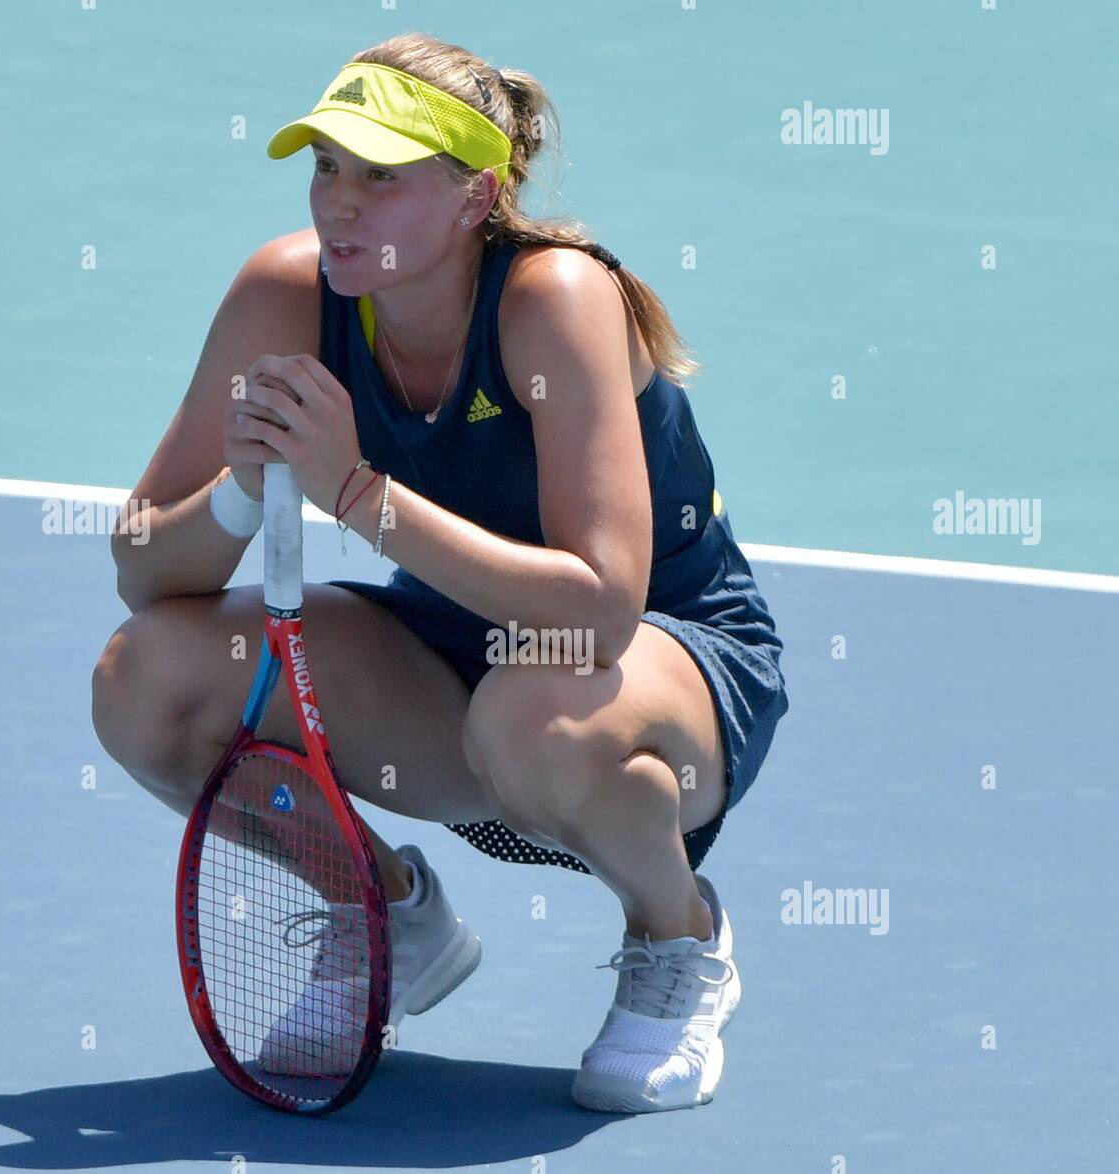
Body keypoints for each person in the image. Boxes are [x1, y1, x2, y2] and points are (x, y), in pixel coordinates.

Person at [92, 32, 789, 1113]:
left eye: (383, 176)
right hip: (448, 664)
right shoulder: (285, 293)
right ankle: (386, 913)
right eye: (327, 166)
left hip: (654, 683)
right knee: (145, 680)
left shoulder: (553, 300)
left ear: (477, 195)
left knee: (533, 713)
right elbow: (144, 566)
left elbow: (604, 608)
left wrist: (357, 493)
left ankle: (678, 937)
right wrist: (237, 486)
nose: (341, 204)